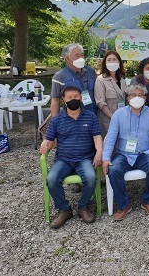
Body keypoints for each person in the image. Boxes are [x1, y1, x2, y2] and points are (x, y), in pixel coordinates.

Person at [102, 84, 149, 221]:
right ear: (128, 98)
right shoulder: (118, 114)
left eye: (140, 95)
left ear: (145, 98)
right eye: (133, 95)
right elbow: (110, 138)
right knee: (113, 170)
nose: (137, 98)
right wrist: (106, 157)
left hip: (145, 153)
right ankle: (124, 204)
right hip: (123, 154)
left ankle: (148, 201)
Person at [40, 86, 103, 229]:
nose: (73, 99)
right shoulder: (57, 121)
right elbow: (48, 139)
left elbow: (97, 137)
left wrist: (99, 152)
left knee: (91, 177)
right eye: (69, 97)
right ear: (63, 100)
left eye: (76, 96)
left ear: (81, 98)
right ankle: (64, 210)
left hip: (84, 158)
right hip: (63, 159)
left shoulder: (90, 116)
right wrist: (44, 145)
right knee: (51, 179)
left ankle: (83, 207)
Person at [51, 43, 97, 117]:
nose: (81, 58)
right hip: (72, 118)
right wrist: (55, 122)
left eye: (82, 55)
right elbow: (55, 100)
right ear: (68, 58)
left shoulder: (91, 72)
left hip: (92, 115)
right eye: (77, 56)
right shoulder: (59, 76)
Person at [94, 50, 127, 137]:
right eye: (109, 60)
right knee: (109, 144)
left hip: (122, 117)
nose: (112, 62)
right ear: (105, 62)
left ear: (119, 62)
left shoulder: (122, 78)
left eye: (114, 59)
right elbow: (101, 103)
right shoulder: (100, 79)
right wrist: (113, 117)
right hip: (108, 118)